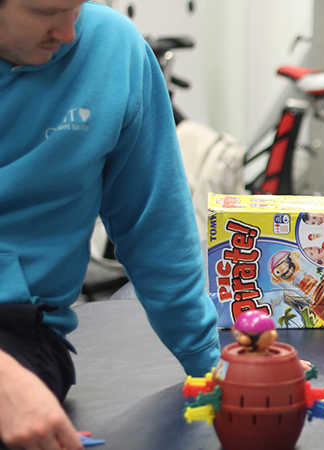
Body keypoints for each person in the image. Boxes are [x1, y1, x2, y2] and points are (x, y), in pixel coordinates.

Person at [0, 1, 220, 449]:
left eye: (76, 8)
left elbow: (153, 224)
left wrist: (210, 363)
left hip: (23, 329)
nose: (68, 33)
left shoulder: (113, 49)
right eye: (45, 12)